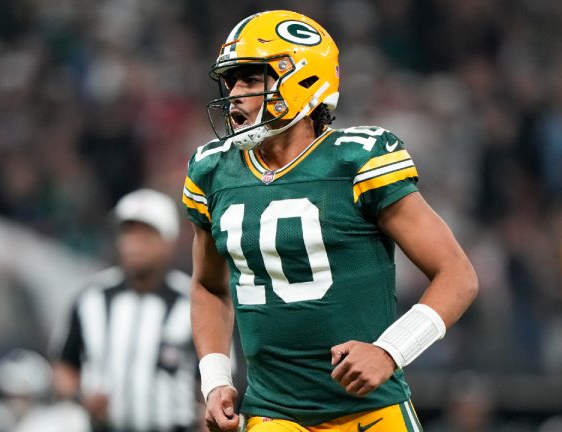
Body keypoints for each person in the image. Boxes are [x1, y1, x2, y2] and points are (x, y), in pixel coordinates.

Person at [182, 10, 478, 432]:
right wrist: (215, 380)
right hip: (273, 413)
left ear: (303, 79)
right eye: (231, 81)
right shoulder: (213, 170)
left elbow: (458, 274)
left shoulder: (357, 160)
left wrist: (390, 351)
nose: (235, 94)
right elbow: (209, 286)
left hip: (370, 411)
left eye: (250, 79)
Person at [53, 188, 197, 432]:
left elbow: (219, 381)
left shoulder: (193, 302)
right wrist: (81, 397)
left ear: (169, 242)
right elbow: (64, 366)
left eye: (146, 234)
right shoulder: (90, 297)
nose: (134, 244)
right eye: (128, 233)